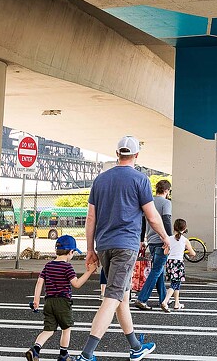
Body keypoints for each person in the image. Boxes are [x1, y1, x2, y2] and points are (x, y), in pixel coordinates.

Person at [76, 136, 168, 361]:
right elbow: (152, 216)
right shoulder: (140, 180)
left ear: (117, 154)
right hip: (126, 246)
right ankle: (87, 353)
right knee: (113, 297)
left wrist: (90, 249)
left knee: (122, 297)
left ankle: (136, 346)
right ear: (136, 155)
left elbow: (90, 218)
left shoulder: (100, 180)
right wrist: (166, 237)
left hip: (105, 245)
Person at [26, 235, 97, 361]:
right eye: (73, 252)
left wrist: (36, 300)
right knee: (66, 328)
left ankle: (35, 350)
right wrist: (89, 272)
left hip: (48, 301)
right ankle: (63, 354)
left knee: (48, 329)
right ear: (70, 252)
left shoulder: (48, 266)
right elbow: (76, 284)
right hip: (63, 302)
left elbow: (39, 282)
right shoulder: (67, 267)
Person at [134, 179, 172, 311]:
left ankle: (164, 299)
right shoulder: (166, 203)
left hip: (151, 240)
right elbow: (167, 220)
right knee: (156, 270)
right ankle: (142, 299)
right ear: (167, 190)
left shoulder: (149, 202)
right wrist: (169, 238)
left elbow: (144, 222)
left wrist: (141, 239)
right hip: (162, 241)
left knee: (159, 271)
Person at [160, 219, 194, 312]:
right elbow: (193, 253)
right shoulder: (185, 240)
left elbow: (165, 252)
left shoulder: (169, 238)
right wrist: (185, 251)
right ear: (184, 229)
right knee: (174, 284)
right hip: (178, 262)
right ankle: (165, 302)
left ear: (174, 227)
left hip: (170, 262)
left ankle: (176, 303)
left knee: (177, 283)